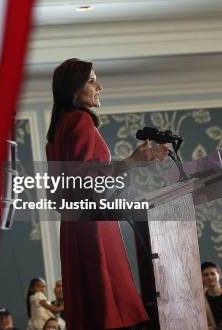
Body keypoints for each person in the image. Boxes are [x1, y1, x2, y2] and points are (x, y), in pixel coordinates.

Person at [45, 58, 168, 330]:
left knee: (93, 309)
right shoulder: (79, 121)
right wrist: (131, 162)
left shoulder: (57, 132)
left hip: (74, 227)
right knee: (106, 309)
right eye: (91, 80)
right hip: (94, 229)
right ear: (73, 89)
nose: (99, 86)